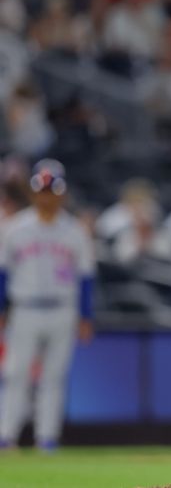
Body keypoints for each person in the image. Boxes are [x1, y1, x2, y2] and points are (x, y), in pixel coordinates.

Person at [0, 159, 95, 451]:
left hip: (62, 309)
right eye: (42, 190)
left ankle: (47, 439)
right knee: (16, 373)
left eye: (52, 191)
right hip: (25, 308)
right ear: (32, 193)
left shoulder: (75, 231)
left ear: (62, 194)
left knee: (54, 376)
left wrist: (85, 315)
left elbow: (86, 277)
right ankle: (6, 436)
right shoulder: (15, 228)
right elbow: (2, 272)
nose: (46, 197)